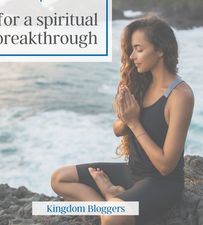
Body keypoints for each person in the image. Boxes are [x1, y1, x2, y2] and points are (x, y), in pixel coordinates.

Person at [51, 15, 194, 225]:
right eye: (132, 49)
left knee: (113, 217)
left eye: (139, 49)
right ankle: (110, 199)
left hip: (161, 183)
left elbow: (165, 166)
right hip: (133, 171)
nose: (132, 56)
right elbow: (118, 129)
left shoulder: (180, 96)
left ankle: (111, 199)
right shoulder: (142, 83)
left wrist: (135, 123)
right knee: (59, 178)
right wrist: (126, 118)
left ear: (161, 50)